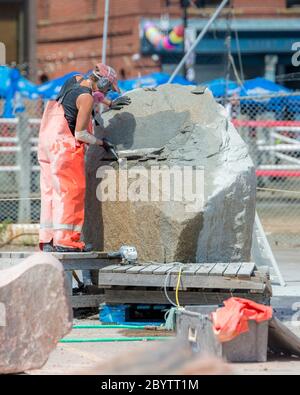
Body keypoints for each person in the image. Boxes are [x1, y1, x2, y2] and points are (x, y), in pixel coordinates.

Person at [38, 63, 131, 252]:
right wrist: (101, 143)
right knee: (71, 191)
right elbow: (81, 134)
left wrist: (108, 103)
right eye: (107, 88)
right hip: (63, 146)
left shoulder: (76, 79)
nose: (106, 92)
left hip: (46, 140)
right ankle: (66, 241)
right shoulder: (87, 98)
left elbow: (86, 96)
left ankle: (48, 240)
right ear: (103, 81)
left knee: (50, 192)